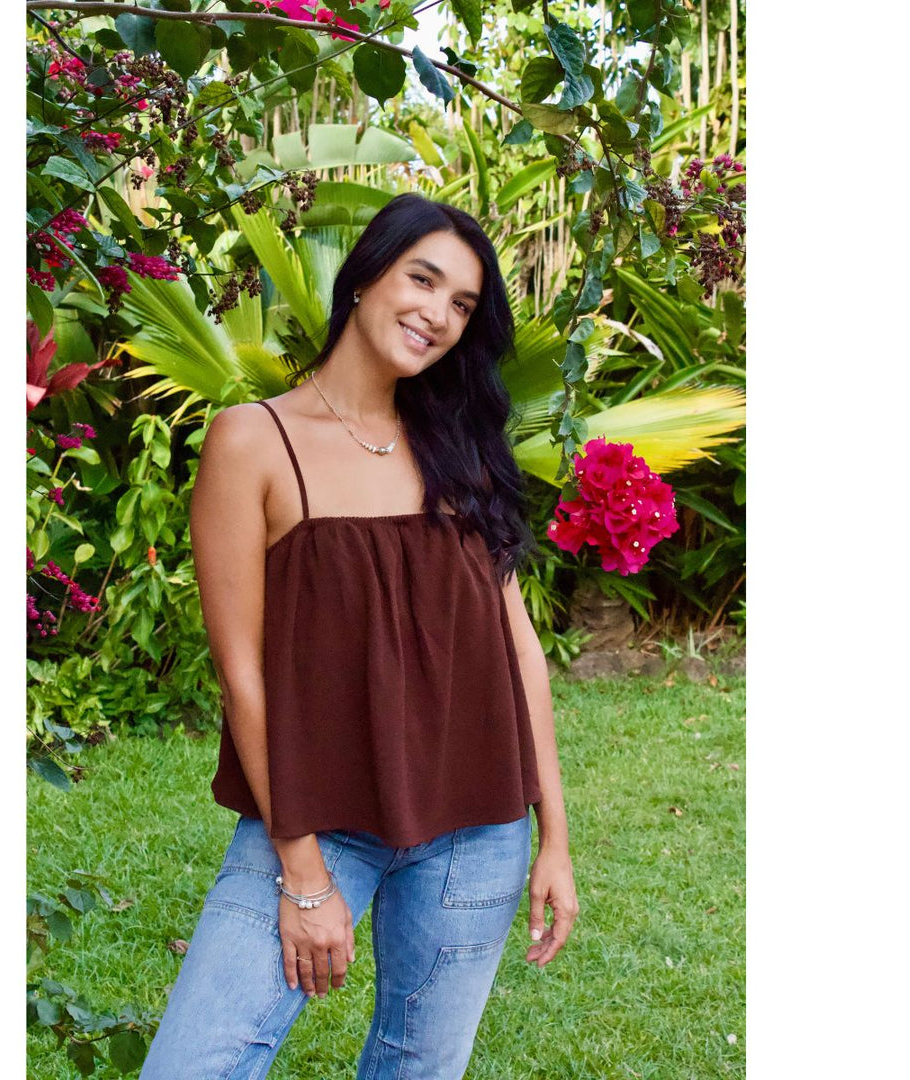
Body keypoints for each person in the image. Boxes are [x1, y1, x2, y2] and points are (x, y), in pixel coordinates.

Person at [138, 192, 578, 1079]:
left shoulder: (458, 447)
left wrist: (555, 838)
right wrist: (301, 871)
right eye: (424, 280)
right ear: (367, 275)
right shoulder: (252, 442)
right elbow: (244, 676)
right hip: (318, 816)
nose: (438, 315)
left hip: (477, 828)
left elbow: (518, 649)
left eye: (462, 304)